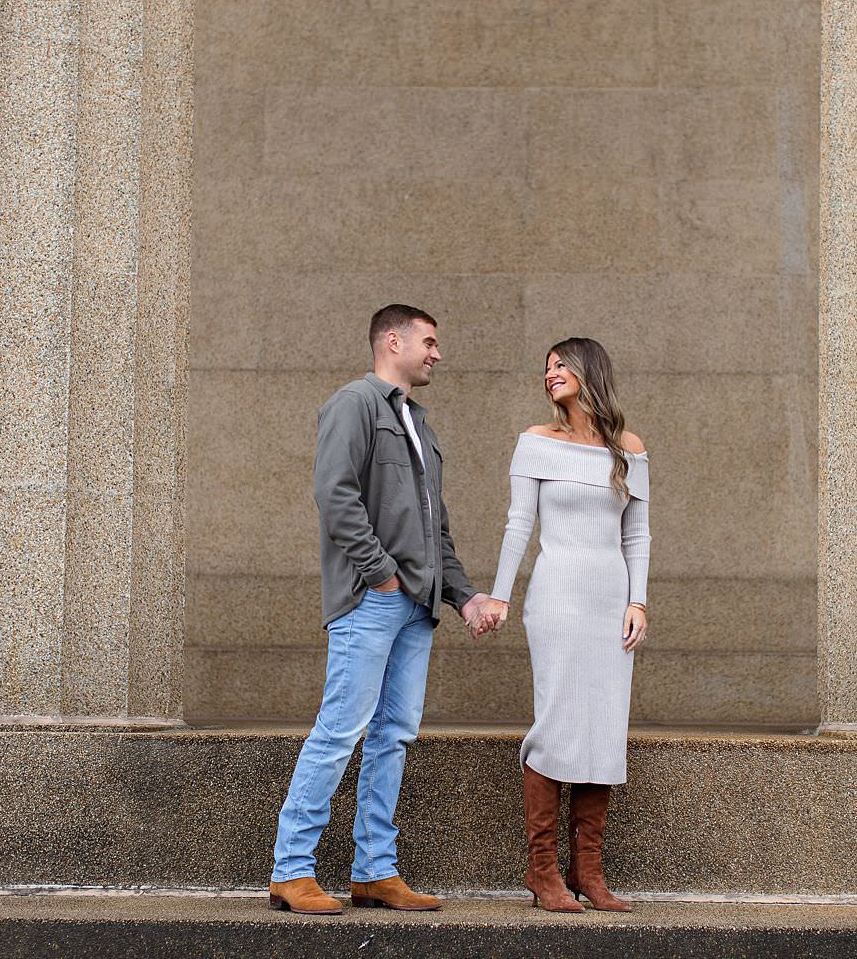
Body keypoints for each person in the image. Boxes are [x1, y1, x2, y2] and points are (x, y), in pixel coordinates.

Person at [268, 304, 508, 915]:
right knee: (341, 729)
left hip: (417, 608)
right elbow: (334, 493)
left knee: (392, 736)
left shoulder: (419, 425)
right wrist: (381, 575)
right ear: (392, 341)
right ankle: (290, 870)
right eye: (428, 341)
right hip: (371, 601)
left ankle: (374, 871)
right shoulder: (355, 403)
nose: (437, 353)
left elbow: (436, 532)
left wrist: (465, 596)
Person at [484, 337, 650, 913]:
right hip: (556, 597)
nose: (550, 375)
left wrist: (639, 602)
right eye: (546, 369)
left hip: (611, 600)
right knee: (556, 722)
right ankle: (542, 871)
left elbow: (638, 535)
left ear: (589, 371)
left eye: (561, 366)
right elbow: (517, 525)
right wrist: (500, 596)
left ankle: (590, 873)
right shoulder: (536, 442)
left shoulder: (628, 448)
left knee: (604, 726)